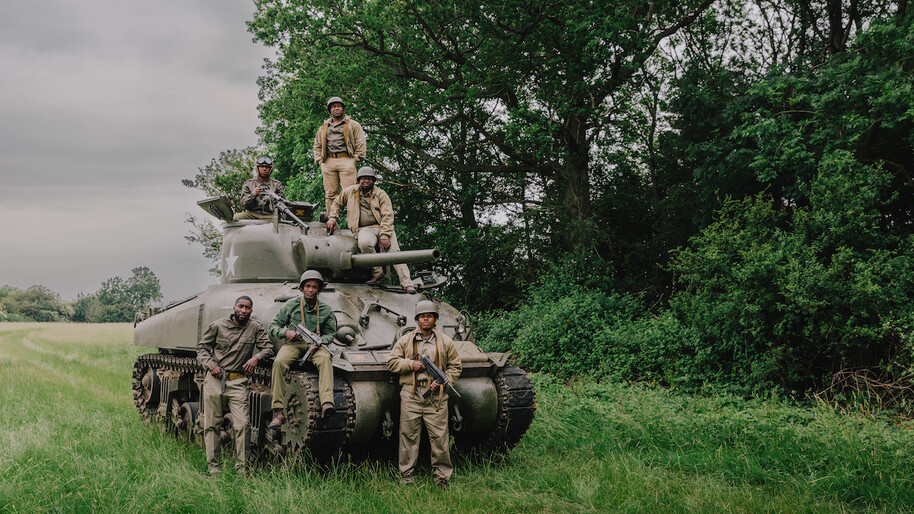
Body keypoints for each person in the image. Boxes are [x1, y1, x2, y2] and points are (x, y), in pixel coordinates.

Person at [386, 300, 462, 490]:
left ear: (435, 319)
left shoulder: (445, 341)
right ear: (417, 319)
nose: (425, 319)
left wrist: (445, 381)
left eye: (429, 316)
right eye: (422, 316)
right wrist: (411, 365)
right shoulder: (406, 341)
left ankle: (442, 477)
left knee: (440, 438)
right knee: (408, 437)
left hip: (436, 397)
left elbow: (455, 366)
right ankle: (406, 476)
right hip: (411, 394)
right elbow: (392, 362)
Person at [196, 295, 274, 476]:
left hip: (238, 382)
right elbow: (201, 348)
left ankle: (242, 469)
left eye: (247, 308)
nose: (244, 311)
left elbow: (268, 348)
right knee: (212, 425)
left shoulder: (255, 327)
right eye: (241, 307)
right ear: (234, 307)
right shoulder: (217, 326)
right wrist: (212, 366)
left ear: (251, 311)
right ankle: (214, 467)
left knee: (243, 425)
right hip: (215, 380)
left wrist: (256, 358)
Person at [326, 166, 417, 293]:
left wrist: (384, 235)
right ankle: (378, 273)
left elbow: (388, 215)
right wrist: (332, 218)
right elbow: (337, 203)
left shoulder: (381, 194)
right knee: (364, 243)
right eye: (363, 178)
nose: (366, 181)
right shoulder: (350, 192)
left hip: (382, 227)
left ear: (373, 181)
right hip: (364, 229)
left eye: (369, 178)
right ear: (359, 180)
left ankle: (407, 283)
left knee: (395, 254)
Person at [268, 270, 338, 428]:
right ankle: (278, 411)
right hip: (294, 344)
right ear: (302, 287)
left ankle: (327, 403)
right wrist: (286, 332)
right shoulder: (291, 305)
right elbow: (273, 326)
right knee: (279, 362)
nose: (311, 290)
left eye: (314, 287)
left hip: (315, 346)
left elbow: (330, 334)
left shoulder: (325, 309)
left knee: (326, 358)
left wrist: (320, 342)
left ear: (319, 289)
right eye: (307, 286)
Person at [313, 96, 367, 212]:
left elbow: (360, 142)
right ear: (330, 110)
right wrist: (319, 160)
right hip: (328, 161)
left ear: (343, 108)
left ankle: (353, 223)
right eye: (333, 106)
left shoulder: (353, 124)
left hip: (346, 159)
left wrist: (355, 159)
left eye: (339, 106)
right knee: (330, 194)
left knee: (351, 192)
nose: (336, 108)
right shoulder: (323, 127)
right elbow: (317, 145)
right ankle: (332, 221)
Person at [234, 156, 285, 220]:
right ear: (257, 168)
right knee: (234, 218)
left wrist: (274, 197)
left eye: (267, 167)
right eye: (261, 167)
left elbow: (283, 204)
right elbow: (244, 204)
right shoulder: (248, 184)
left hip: (271, 215)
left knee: (286, 224)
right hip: (253, 214)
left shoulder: (277, 184)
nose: (264, 169)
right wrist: (253, 194)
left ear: (270, 169)